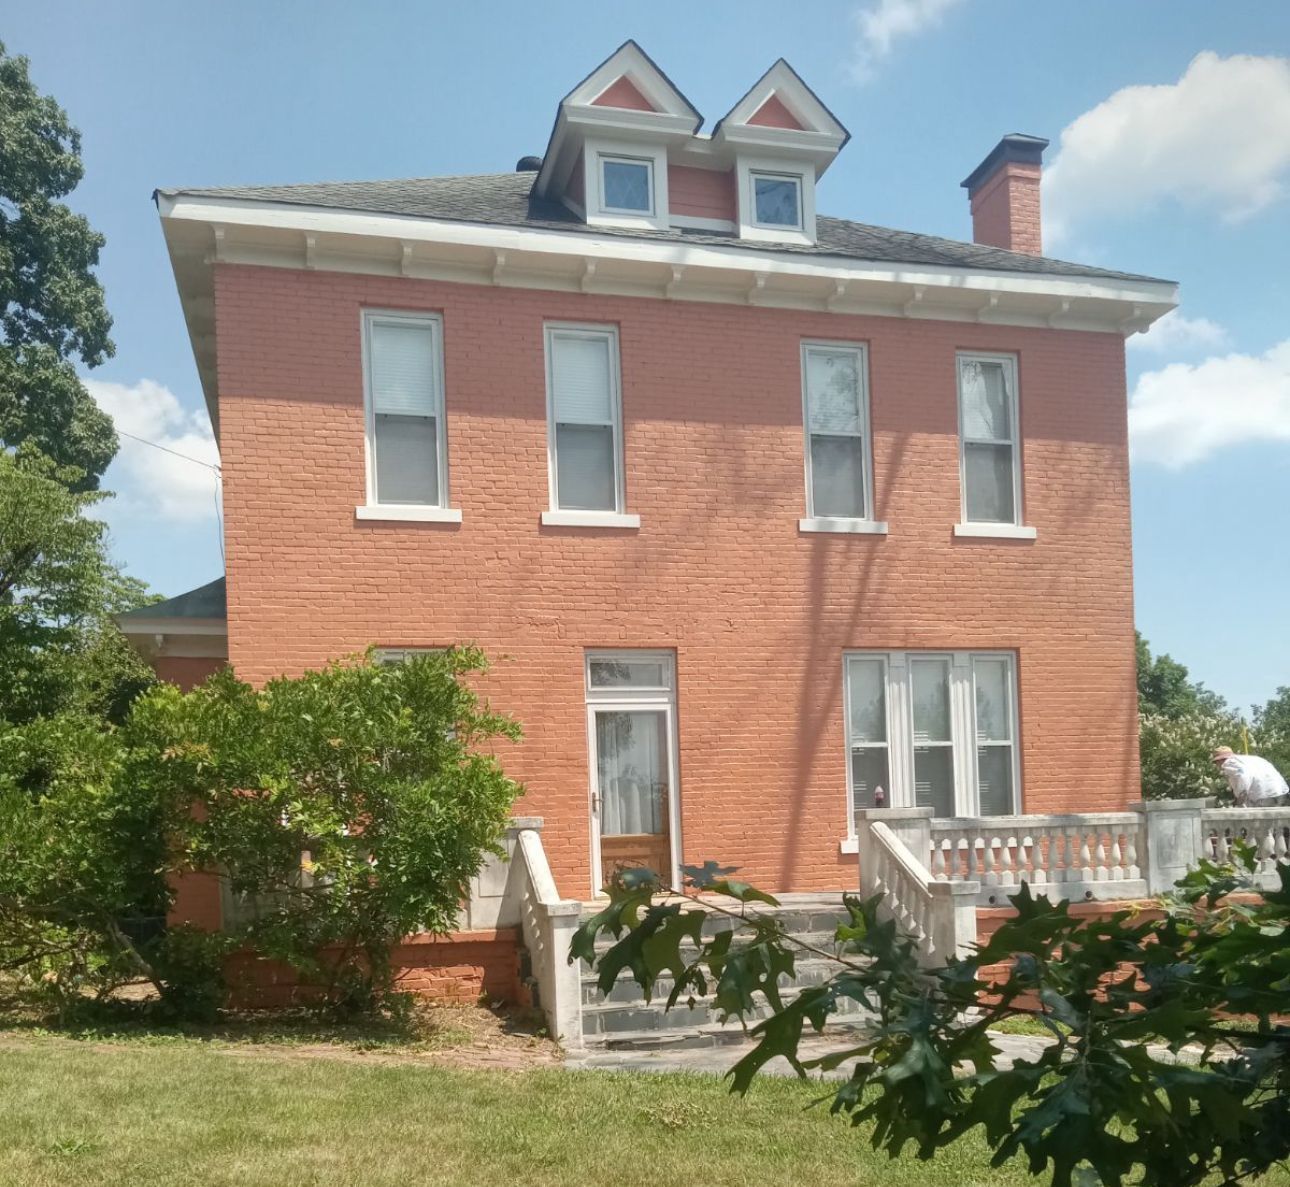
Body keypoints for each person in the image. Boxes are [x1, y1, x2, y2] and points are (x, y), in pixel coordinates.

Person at [1211, 746, 1290, 807]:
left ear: (1220, 760)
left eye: (1216, 762)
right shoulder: (1250, 759)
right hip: (1281, 792)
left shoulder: (1229, 762)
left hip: (1265, 795)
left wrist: (1240, 798)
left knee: (1259, 822)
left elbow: (1244, 776)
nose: (1217, 765)